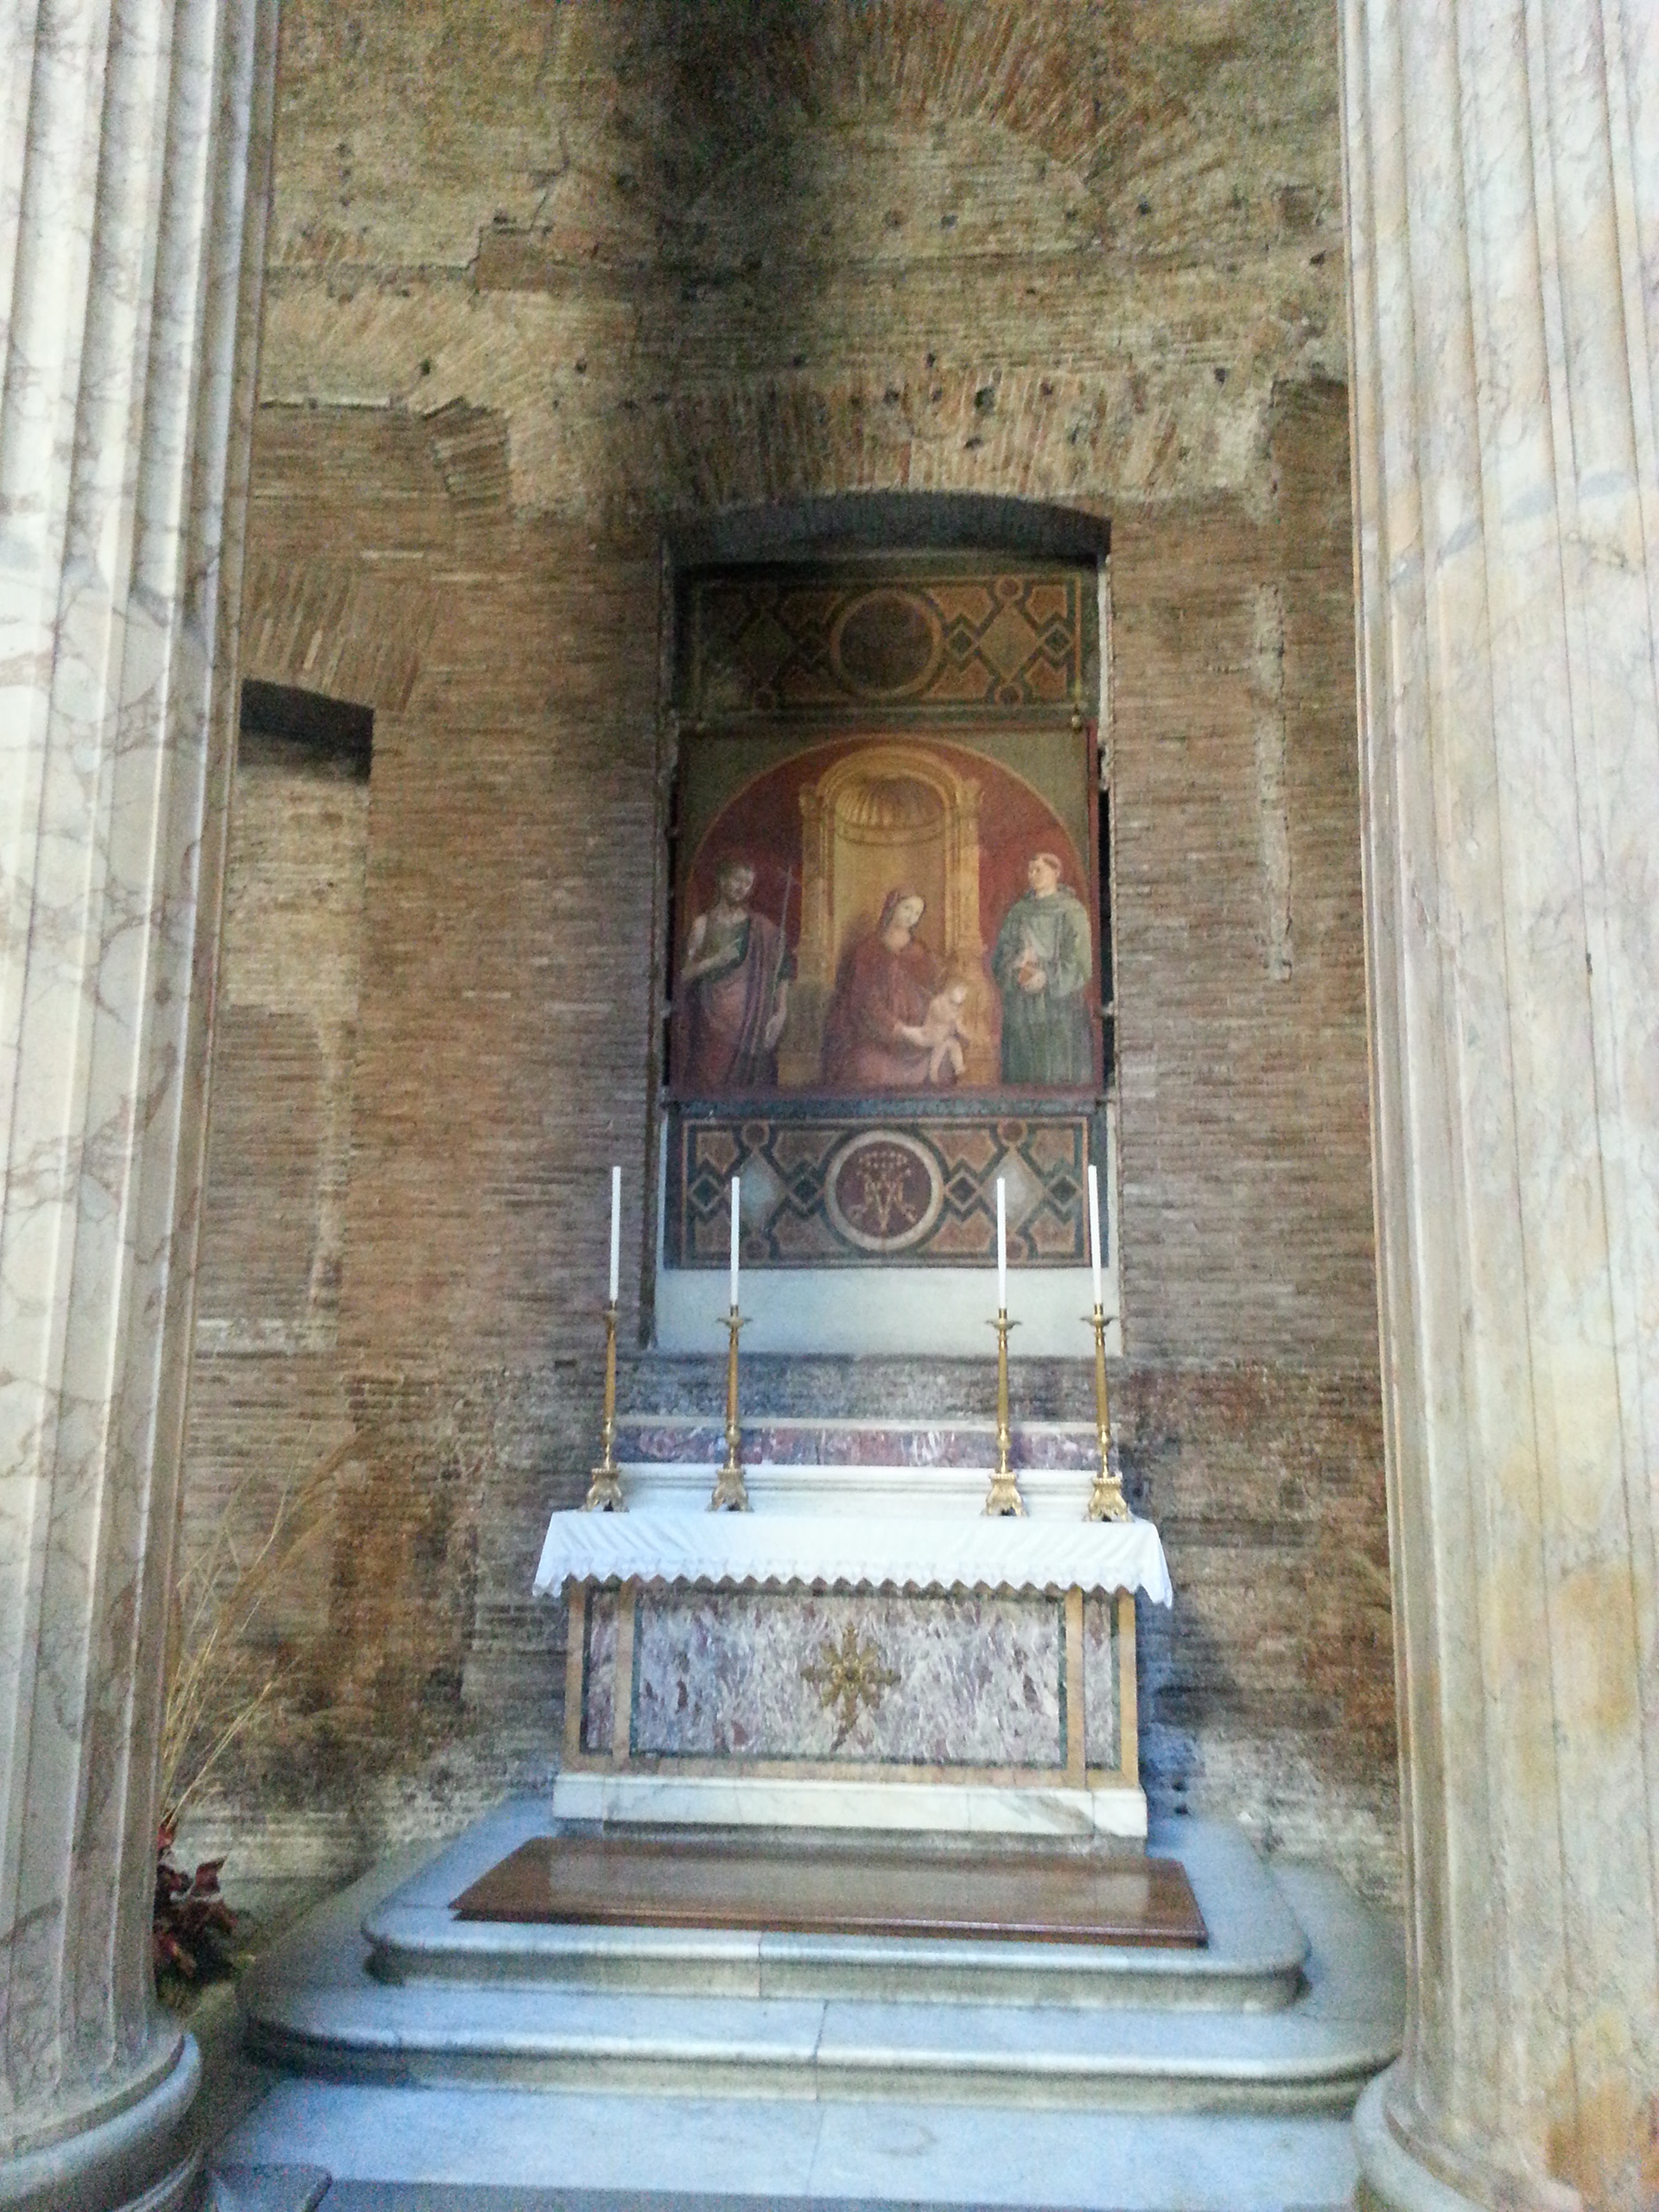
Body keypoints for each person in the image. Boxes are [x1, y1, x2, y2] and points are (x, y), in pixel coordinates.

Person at [820, 888, 957, 1090]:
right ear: (892, 907)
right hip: (876, 1039)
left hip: (917, 1042)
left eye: (917, 913)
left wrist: (932, 1026)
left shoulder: (920, 951)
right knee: (866, 1068)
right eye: (907, 908)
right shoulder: (868, 950)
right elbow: (863, 1003)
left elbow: (934, 991)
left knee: (944, 1062)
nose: (911, 916)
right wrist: (901, 1030)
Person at [676, 859, 791, 1093]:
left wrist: (781, 1010)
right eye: (737, 880)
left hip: (751, 1024)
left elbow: (782, 968)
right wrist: (714, 961)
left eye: (748, 883)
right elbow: (683, 975)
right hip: (710, 1023)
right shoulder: (703, 924)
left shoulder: (761, 929)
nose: (742, 888)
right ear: (722, 881)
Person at [990, 850, 1095, 1085]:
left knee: (1058, 1072)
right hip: (1022, 1011)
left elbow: (1080, 963)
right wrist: (1016, 965)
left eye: (1039, 869)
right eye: (1030, 870)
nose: (1033, 875)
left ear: (1056, 873)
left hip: (1059, 1010)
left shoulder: (1072, 911)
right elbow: (1000, 959)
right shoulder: (1018, 912)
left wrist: (1045, 974)